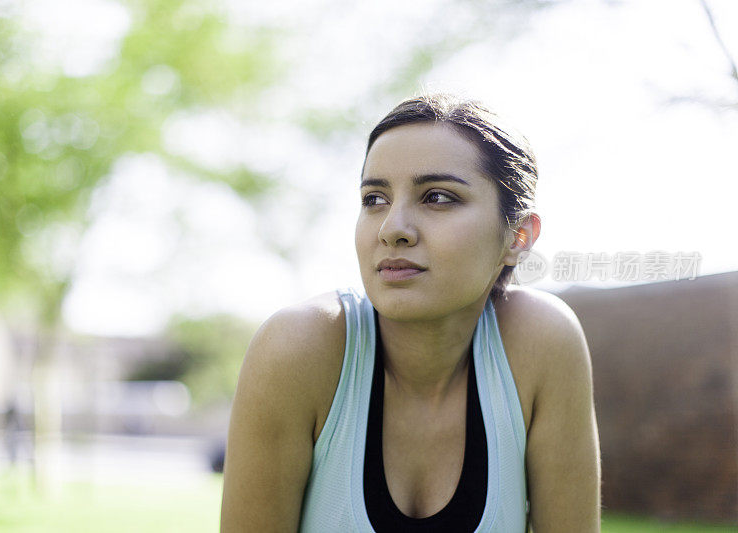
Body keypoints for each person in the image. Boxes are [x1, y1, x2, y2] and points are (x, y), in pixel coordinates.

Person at [221, 93, 601, 532]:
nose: (392, 228)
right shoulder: (300, 346)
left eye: (437, 197)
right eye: (374, 199)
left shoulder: (541, 343)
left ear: (518, 235)